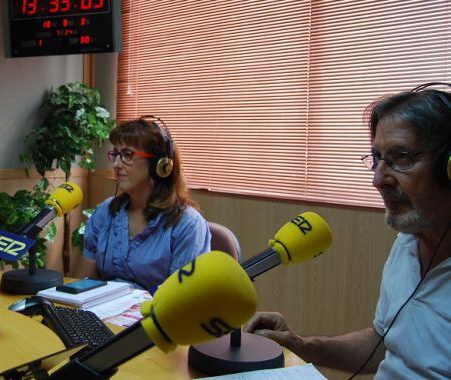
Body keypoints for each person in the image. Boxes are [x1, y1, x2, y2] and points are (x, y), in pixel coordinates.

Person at [244, 83, 451, 378]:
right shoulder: (407, 242)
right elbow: (383, 343)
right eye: (377, 159)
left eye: (401, 158)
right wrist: (301, 345)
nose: (378, 180)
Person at [73, 115, 211, 291]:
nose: (116, 164)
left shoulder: (188, 224)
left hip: (156, 317)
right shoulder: (106, 211)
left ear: (159, 165)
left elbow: (183, 301)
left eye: (127, 155)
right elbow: (79, 285)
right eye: (115, 154)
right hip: (102, 315)